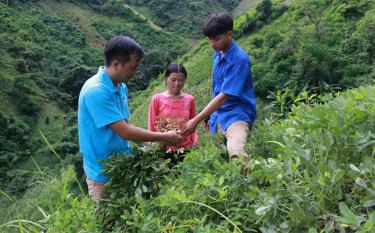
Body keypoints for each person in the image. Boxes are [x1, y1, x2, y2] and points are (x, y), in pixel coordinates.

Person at [78, 35, 183, 202]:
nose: (135, 72)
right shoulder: (96, 91)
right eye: (133, 67)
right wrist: (164, 137)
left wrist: (152, 145)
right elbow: (125, 132)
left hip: (123, 163)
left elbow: (125, 124)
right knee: (107, 222)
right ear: (116, 64)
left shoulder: (121, 87)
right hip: (102, 173)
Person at [182, 12, 256, 167]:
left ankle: (255, 183)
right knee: (217, 157)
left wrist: (197, 119)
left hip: (237, 114)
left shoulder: (239, 60)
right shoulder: (218, 53)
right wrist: (209, 117)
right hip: (218, 115)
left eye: (216, 39)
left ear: (229, 34)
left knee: (235, 150)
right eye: (209, 39)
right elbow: (217, 89)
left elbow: (224, 96)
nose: (212, 43)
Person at [148, 63, 198, 154]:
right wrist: (154, 146)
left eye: (181, 80)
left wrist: (194, 143)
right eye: (173, 80)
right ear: (167, 79)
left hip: (186, 149)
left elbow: (193, 125)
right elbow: (152, 126)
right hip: (163, 149)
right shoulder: (157, 99)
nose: (177, 84)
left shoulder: (190, 100)